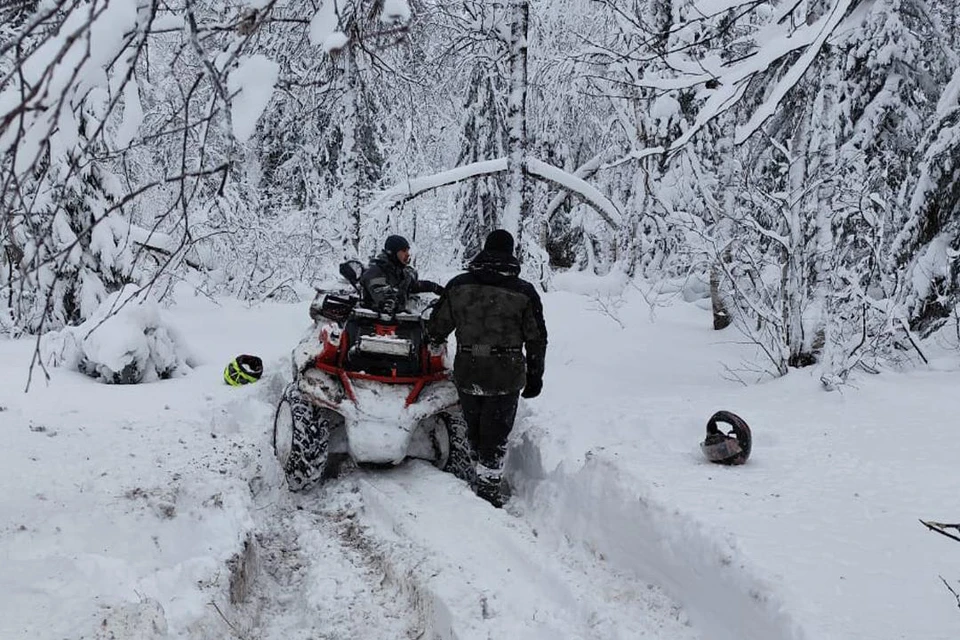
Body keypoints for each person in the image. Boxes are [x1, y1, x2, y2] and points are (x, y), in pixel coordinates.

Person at [426, 229, 547, 507]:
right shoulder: (524, 292)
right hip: (506, 371)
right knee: (496, 432)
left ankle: (476, 473)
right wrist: (535, 375)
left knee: (474, 427)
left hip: (469, 368)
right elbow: (537, 338)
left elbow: (436, 328)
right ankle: (488, 491)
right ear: (510, 253)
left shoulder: (458, 285)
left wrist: (434, 343)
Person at [360, 235, 444, 313]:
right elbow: (387, 301)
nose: (407, 254)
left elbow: (414, 286)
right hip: (372, 325)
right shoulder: (375, 272)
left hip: (397, 323)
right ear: (392, 252)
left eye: (408, 251)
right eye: (404, 251)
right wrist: (411, 305)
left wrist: (436, 288)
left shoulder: (401, 273)